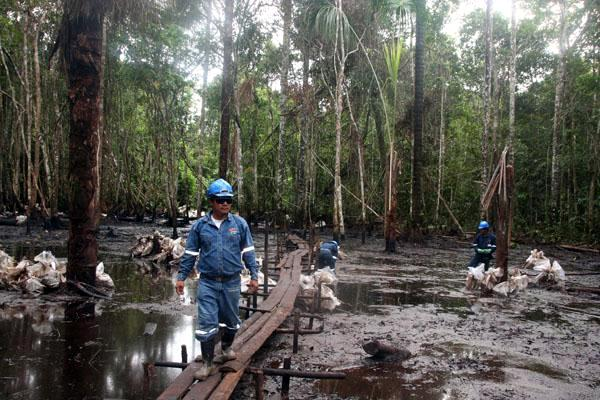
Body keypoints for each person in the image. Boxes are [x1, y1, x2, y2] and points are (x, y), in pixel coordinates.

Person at [176, 178, 259, 381]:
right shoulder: (199, 227)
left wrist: (254, 275)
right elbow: (190, 253)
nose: (225, 204)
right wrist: (181, 277)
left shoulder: (239, 225)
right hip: (207, 282)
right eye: (221, 200)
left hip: (231, 282)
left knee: (231, 322)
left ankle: (227, 348)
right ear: (211, 202)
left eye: (228, 200)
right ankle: (207, 364)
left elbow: (248, 251)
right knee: (206, 323)